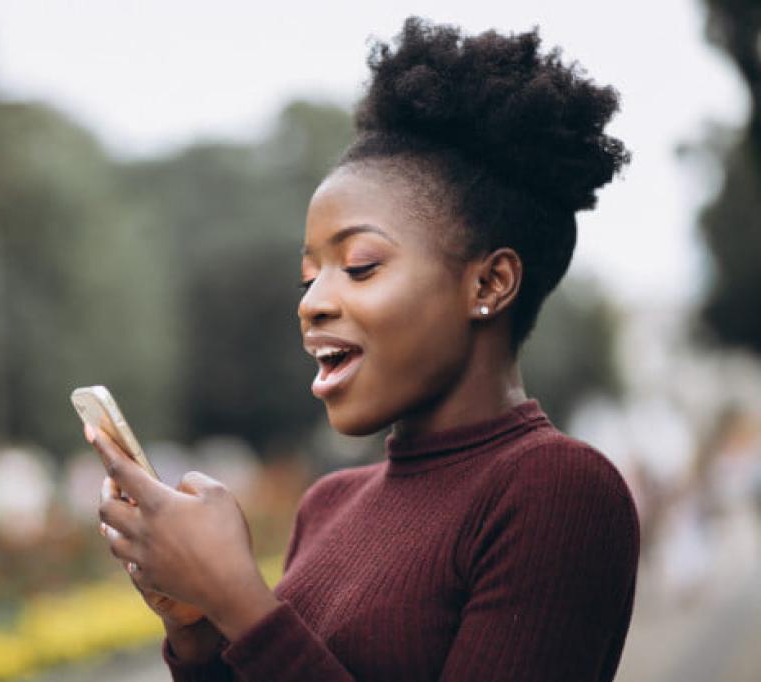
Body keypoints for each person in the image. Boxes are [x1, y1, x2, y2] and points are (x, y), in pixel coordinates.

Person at [89, 16, 640, 681]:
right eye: (308, 274)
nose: (311, 301)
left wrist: (242, 602)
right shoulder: (328, 504)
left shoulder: (556, 489)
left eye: (359, 266)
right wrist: (199, 629)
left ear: (489, 283)